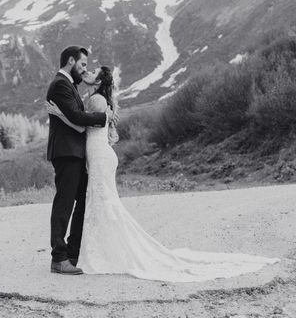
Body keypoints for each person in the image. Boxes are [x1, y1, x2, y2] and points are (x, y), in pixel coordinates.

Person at [47, 65, 279, 282]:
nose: (87, 72)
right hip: (99, 154)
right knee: (99, 203)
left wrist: (59, 113)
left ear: (98, 81)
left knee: (101, 202)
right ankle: (87, 250)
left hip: (98, 155)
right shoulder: (100, 98)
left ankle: (96, 250)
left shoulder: (96, 99)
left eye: (92, 72)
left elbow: (79, 125)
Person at [46, 46, 114, 275]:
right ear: (71, 61)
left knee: (84, 201)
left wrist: (60, 115)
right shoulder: (60, 84)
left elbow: (75, 119)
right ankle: (59, 257)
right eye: (83, 64)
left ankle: (73, 252)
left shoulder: (69, 85)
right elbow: (77, 117)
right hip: (66, 152)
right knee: (65, 203)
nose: (85, 69)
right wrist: (105, 117)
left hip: (77, 152)